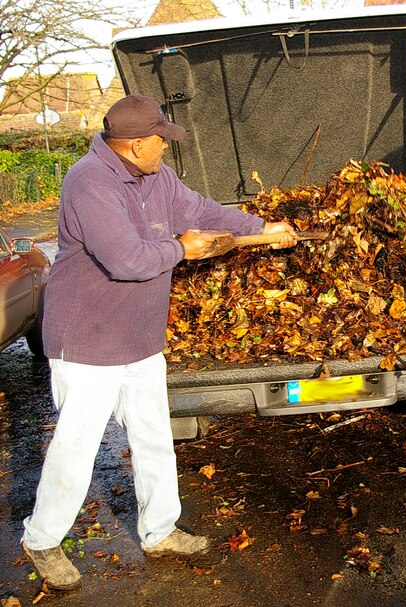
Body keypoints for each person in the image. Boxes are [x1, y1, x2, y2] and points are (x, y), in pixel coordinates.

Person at [21, 94, 296, 591]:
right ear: (135, 144)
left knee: (153, 437)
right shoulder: (89, 183)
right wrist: (182, 248)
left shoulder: (157, 177)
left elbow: (201, 208)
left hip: (140, 336)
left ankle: (159, 529)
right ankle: (41, 538)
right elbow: (127, 259)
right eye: (160, 141)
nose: (165, 149)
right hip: (88, 340)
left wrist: (261, 228)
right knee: (77, 445)